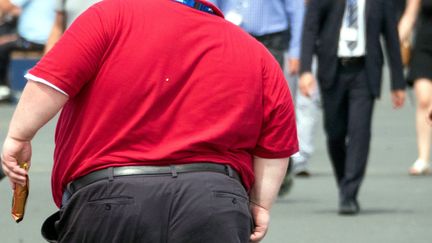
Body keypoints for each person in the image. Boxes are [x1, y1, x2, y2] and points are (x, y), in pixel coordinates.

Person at [1, 0, 299, 242]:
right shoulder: (254, 51)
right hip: (214, 203)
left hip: (110, 198)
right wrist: (260, 204)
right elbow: (276, 145)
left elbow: (52, 82)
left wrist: (18, 136)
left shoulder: (109, 16)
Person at [299, 0, 406, 215]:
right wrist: (305, 70)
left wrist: (397, 82)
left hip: (364, 72)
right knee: (335, 134)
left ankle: (349, 193)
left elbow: (391, 36)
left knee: (359, 133)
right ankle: (345, 182)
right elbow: (310, 28)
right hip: (333, 70)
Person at [208, 0, 305, 194]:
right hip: (231, 35)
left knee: (270, 104)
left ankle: (279, 162)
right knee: (234, 103)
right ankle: (238, 162)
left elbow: (296, 8)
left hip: (272, 39)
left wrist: (296, 51)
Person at [399, 0, 432, 175]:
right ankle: (423, 157)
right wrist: (395, 42)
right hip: (424, 47)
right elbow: (409, 16)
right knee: (424, 99)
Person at [0, 0, 55, 102]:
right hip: (48, 38)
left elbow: (6, 6)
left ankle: (2, 88)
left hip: (34, 39)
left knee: (2, 46)